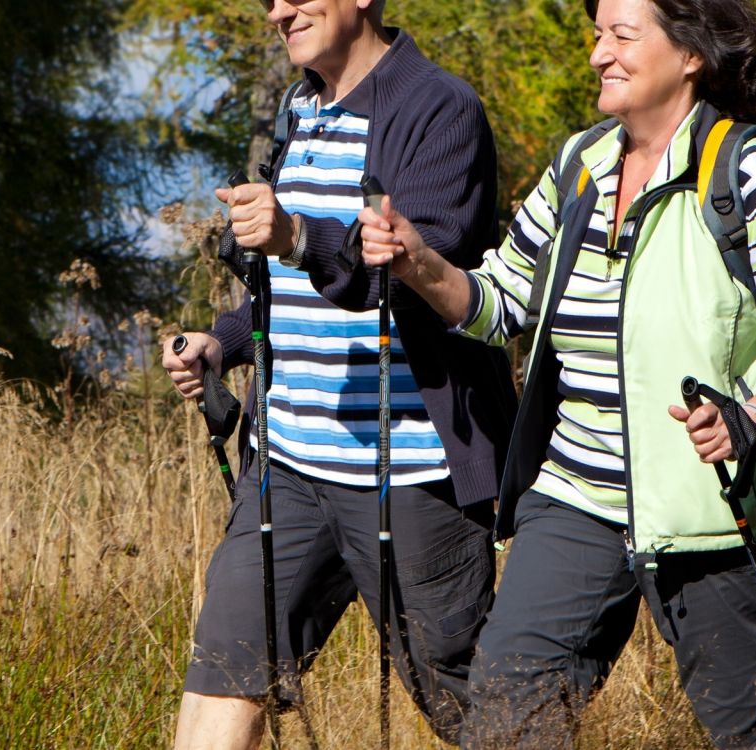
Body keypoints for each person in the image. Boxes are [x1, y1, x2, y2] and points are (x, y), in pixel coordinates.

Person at [356, 0, 756, 745]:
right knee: (508, 705)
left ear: (690, 55)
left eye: (623, 35)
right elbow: (497, 305)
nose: (599, 54)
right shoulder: (579, 165)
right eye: (597, 35)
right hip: (576, 497)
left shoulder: (743, 172)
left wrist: (750, 416)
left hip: (710, 511)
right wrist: (418, 260)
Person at [159, 0, 516, 746]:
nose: (278, 11)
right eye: (268, 1)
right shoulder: (300, 108)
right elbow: (280, 290)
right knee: (224, 671)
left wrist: (294, 235)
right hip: (285, 467)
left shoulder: (440, 109)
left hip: (415, 479)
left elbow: (411, 270)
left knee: (478, 712)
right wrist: (221, 341)